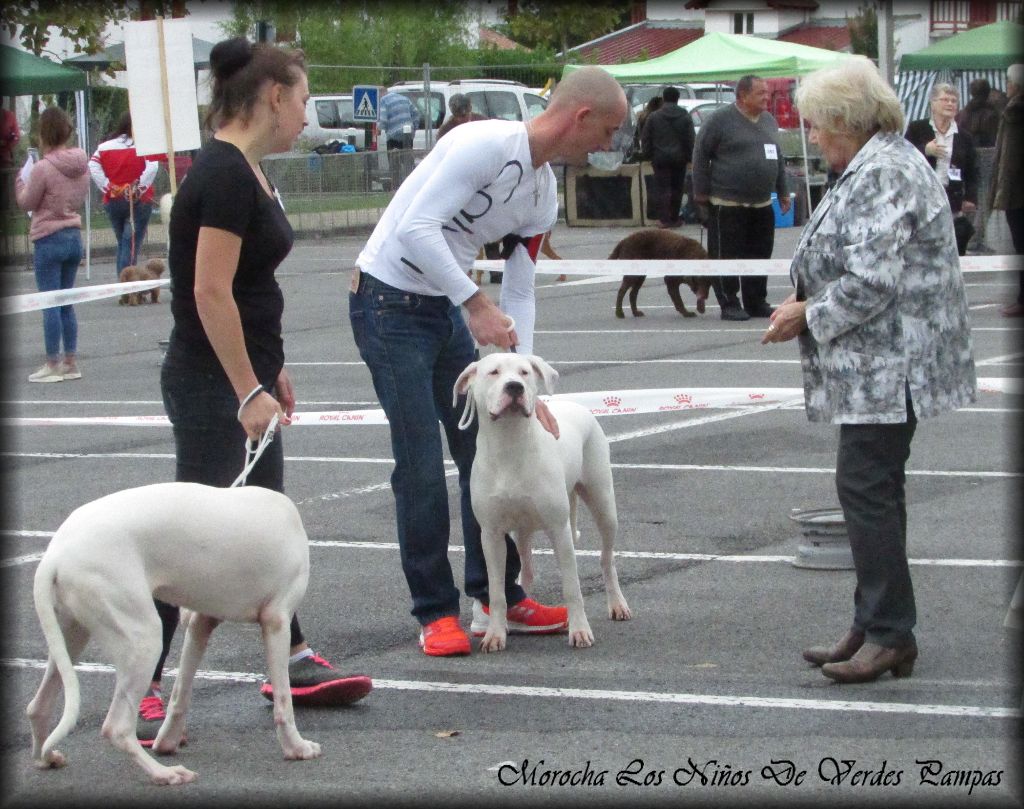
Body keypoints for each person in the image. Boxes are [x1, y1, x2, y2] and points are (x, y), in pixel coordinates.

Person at [348, 65, 627, 657]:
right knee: (420, 462)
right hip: (388, 299)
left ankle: (497, 598)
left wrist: (524, 376)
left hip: (445, 304)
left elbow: (521, 291)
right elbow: (417, 230)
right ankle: (435, 611)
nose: (608, 146)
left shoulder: (542, 192)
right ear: (579, 118)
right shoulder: (482, 146)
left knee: (481, 452)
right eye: (607, 131)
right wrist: (474, 301)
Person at [152, 36, 372, 746]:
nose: (308, 115)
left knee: (264, 523)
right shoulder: (220, 173)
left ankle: (293, 660)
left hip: (245, 375)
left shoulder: (245, 169)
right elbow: (208, 290)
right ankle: (147, 681)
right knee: (191, 537)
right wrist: (245, 387)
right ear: (274, 96)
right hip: (211, 382)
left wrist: (269, 367)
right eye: (304, 100)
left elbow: (247, 286)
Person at [762, 57, 976, 684]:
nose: (815, 139)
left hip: (892, 365)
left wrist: (808, 313)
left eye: (818, 128)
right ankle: (875, 623)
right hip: (880, 364)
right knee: (874, 490)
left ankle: (888, 633)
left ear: (845, 122)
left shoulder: (883, 171)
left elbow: (872, 281)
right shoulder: (877, 161)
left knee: (865, 488)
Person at [692, 74, 790, 321]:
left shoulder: (768, 121)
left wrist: (782, 190)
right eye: (761, 93)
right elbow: (701, 156)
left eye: (767, 92)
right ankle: (729, 302)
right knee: (726, 255)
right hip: (728, 203)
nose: (767, 97)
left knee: (760, 254)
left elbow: (777, 157)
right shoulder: (719, 121)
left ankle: (756, 301)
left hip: (762, 203)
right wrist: (701, 196)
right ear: (742, 96)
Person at [15, 107, 89, 383]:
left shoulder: (43, 168)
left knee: (49, 302)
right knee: (67, 301)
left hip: (49, 236)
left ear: (43, 133)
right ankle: (70, 360)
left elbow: (28, 202)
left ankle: (52, 362)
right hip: (72, 233)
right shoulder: (81, 165)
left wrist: (19, 184)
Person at [905, 83, 978, 255]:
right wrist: (925, 150)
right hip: (923, 198)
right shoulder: (917, 129)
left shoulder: (964, 136)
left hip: (952, 199)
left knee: (953, 246)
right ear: (932, 103)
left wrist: (970, 197)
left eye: (954, 101)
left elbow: (972, 171)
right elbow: (903, 157)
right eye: (945, 99)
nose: (950, 104)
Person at [89, 112, 159, 279]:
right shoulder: (145, 145)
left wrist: (107, 186)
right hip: (139, 201)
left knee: (123, 243)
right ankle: (128, 286)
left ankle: (123, 283)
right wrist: (139, 188)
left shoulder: (105, 147)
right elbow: (153, 167)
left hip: (114, 200)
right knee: (131, 244)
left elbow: (93, 165)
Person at [990, 63, 1024, 317]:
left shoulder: (1014, 112)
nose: (1006, 85)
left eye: (1009, 81)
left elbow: (1008, 159)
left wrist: (1001, 193)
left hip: (1017, 193)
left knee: (1020, 245)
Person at [640, 86, 695, 229]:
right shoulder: (685, 116)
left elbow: (646, 138)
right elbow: (690, 139)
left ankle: (664, 219)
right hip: (679, 159)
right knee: (677, 188)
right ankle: (674, 218)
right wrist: (690, 157)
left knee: (662, 189)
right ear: (677, 99)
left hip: (659, 159)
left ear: (664, 98)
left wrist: (648, 155)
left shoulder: (654, 117)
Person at [378, 89, 420, 187]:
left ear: (380, 94)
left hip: (394, 135)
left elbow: (383, 119)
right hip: (408, 134)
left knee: (394, 163)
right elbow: (416, 113)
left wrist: (379, 129)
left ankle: (396, 187)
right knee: (408, 161)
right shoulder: (404, 98)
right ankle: (411, 184)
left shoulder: (383, 100)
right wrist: (414, 128)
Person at [957, 78, 1000, 148]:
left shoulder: (962, 114)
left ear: (971, 93)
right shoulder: (993, 115)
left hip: (967, 154)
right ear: (988, 92)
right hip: (988, 154)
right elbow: (995, 140)